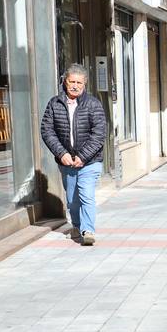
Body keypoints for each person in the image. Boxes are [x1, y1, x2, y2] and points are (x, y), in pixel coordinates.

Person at [40, 64, 107, 246]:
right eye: (72, 82)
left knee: (86, 194)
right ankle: (77, 225)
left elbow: (99, 133)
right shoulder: (54, 104)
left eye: (79, 82)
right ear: (65, 81)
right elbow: (47, 130)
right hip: (66, 162)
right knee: (72, 200)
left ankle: (88, 230)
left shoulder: (93, 104)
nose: (75, 85)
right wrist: (61, 153)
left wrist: (83, 157)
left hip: (90, 161)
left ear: (84, 84)